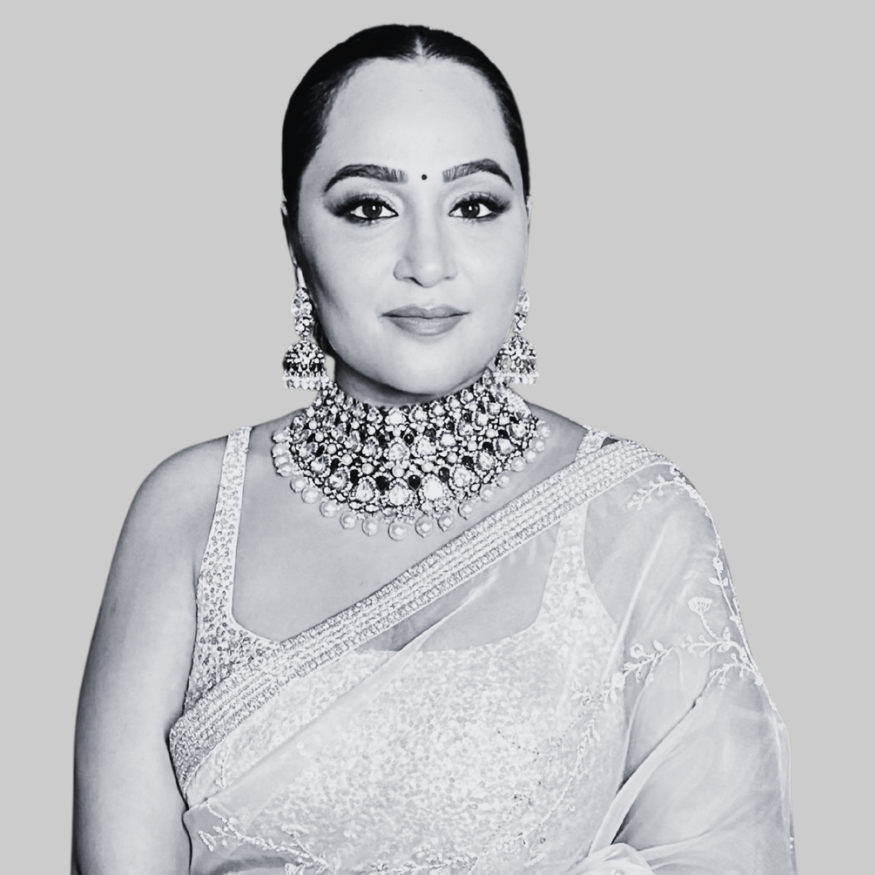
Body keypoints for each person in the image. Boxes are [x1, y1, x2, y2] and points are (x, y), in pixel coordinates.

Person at [72, 24, 795, 875]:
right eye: (368, 208)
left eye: (474, 205)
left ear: (526, 227)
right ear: (294, 236)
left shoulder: (634, 518)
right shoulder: (192, 515)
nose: (427, 261)